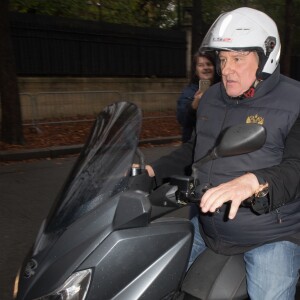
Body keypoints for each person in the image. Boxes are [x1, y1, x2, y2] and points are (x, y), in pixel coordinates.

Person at [146, 7, 300, 299]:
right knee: (151, 279)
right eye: (223, 58)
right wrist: (151, 172)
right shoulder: (212, 98)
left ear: (268, 56)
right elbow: (195, 149)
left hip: (270, 235)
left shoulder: (296, 101)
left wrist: (254, 181)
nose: (226, 69)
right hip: (207, 225)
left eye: (238, 58)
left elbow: (297, 167)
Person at [176, 52, 218, 143]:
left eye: (209, 64)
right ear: (196, 70)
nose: (206, 68)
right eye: (201, 65)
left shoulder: (224, 89)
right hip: (195, 144)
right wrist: (194, 106)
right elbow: (183, 120)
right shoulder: (188, 93)